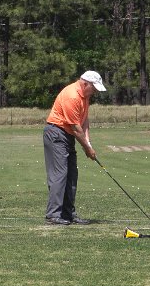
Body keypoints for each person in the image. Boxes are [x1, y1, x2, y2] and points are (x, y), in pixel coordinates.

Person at [43, 70, 106, 225]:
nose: (95, 92)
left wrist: (89, 144)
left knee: (72, 175)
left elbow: (84, 122)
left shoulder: (85, 96)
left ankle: (68, 213)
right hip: (56, 134)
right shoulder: (72, 95)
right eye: (94, 88)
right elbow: (76, 128)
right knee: (60, 174)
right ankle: (53, 215)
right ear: (85, 83)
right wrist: (87, 149)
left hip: (67, 135)